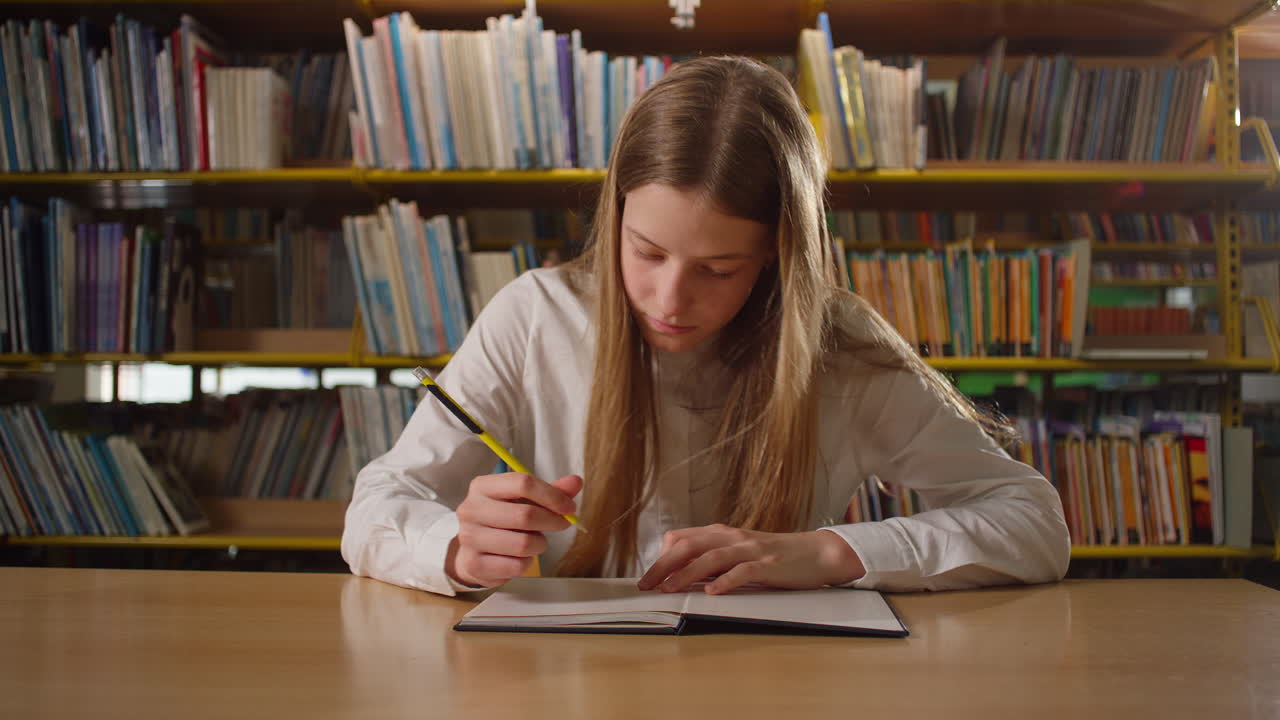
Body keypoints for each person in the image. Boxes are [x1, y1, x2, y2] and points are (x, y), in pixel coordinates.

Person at [341, 56, 1070, 597]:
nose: (669, 299)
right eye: (646, 252)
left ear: (777, 257)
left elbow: (1032, 520)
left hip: (780, 683)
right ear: (616, 214)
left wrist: (830, 553)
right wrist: (456, 549)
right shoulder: (534, 315)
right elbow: (376, 506)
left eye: (719, 269)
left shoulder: (840, 347)